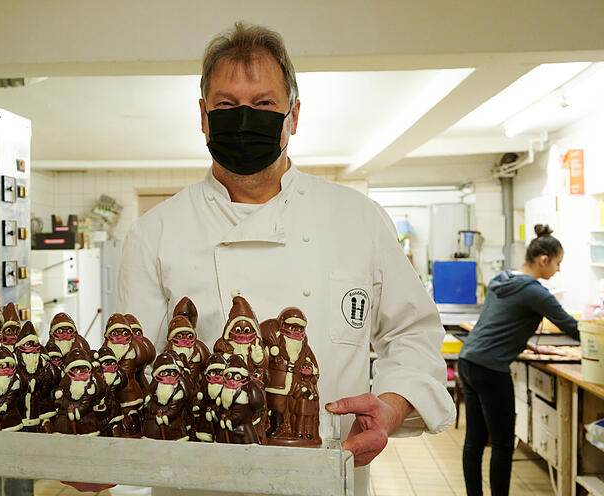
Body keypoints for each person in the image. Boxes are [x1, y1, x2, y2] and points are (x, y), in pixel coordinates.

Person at [68, 21, 454, 495]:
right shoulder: (155, 232)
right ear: (204, 117)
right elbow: (133, 366)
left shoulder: (359, 218)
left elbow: (412, 332)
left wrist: (393, 405)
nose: (245, 119)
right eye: (227, 106)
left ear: (293, 115)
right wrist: (100, 445)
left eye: (264, 104)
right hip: (198, 486)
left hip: (326, 483)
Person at [458, 224, 579, 496]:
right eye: (558, 263)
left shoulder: (501, 279)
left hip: (468, 360)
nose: (558, 270)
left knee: (475, 441)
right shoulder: (535, 292)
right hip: (490, 369)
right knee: (502, 443)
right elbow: (572, 327)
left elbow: (495, 322)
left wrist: (527, 345)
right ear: (544, 259)